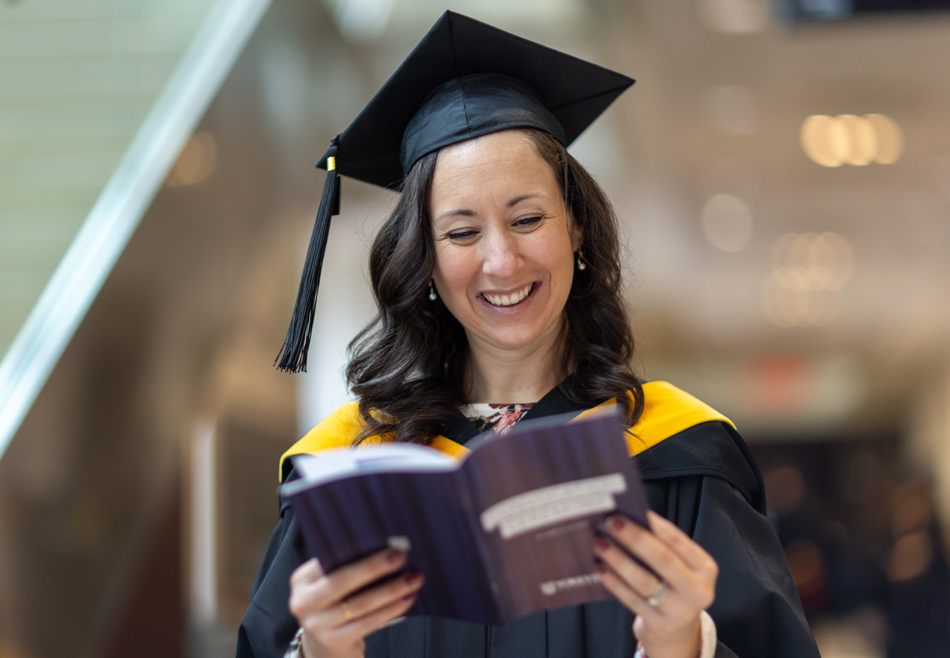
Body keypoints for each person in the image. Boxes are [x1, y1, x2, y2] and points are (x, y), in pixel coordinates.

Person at [236, 11, 821, 658]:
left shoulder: (678, 455)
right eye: (462, 232)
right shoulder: (349, 472)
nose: (502, 261)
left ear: (577, 227)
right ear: (425, 260)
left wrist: (685, 644)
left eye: (528, 219)